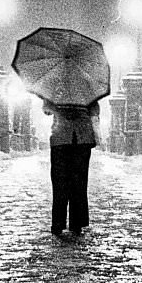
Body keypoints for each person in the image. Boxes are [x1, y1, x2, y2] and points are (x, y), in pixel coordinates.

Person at [43, 100, 100, 235]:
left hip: (60, 139)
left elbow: (46, 110)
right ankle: (77, 222)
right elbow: (95, 112)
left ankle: (58, 223)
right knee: (79, 182)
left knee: (59, 182)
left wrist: (59, 110)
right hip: (82, 139)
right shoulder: (86, 88)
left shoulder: (56, 89)